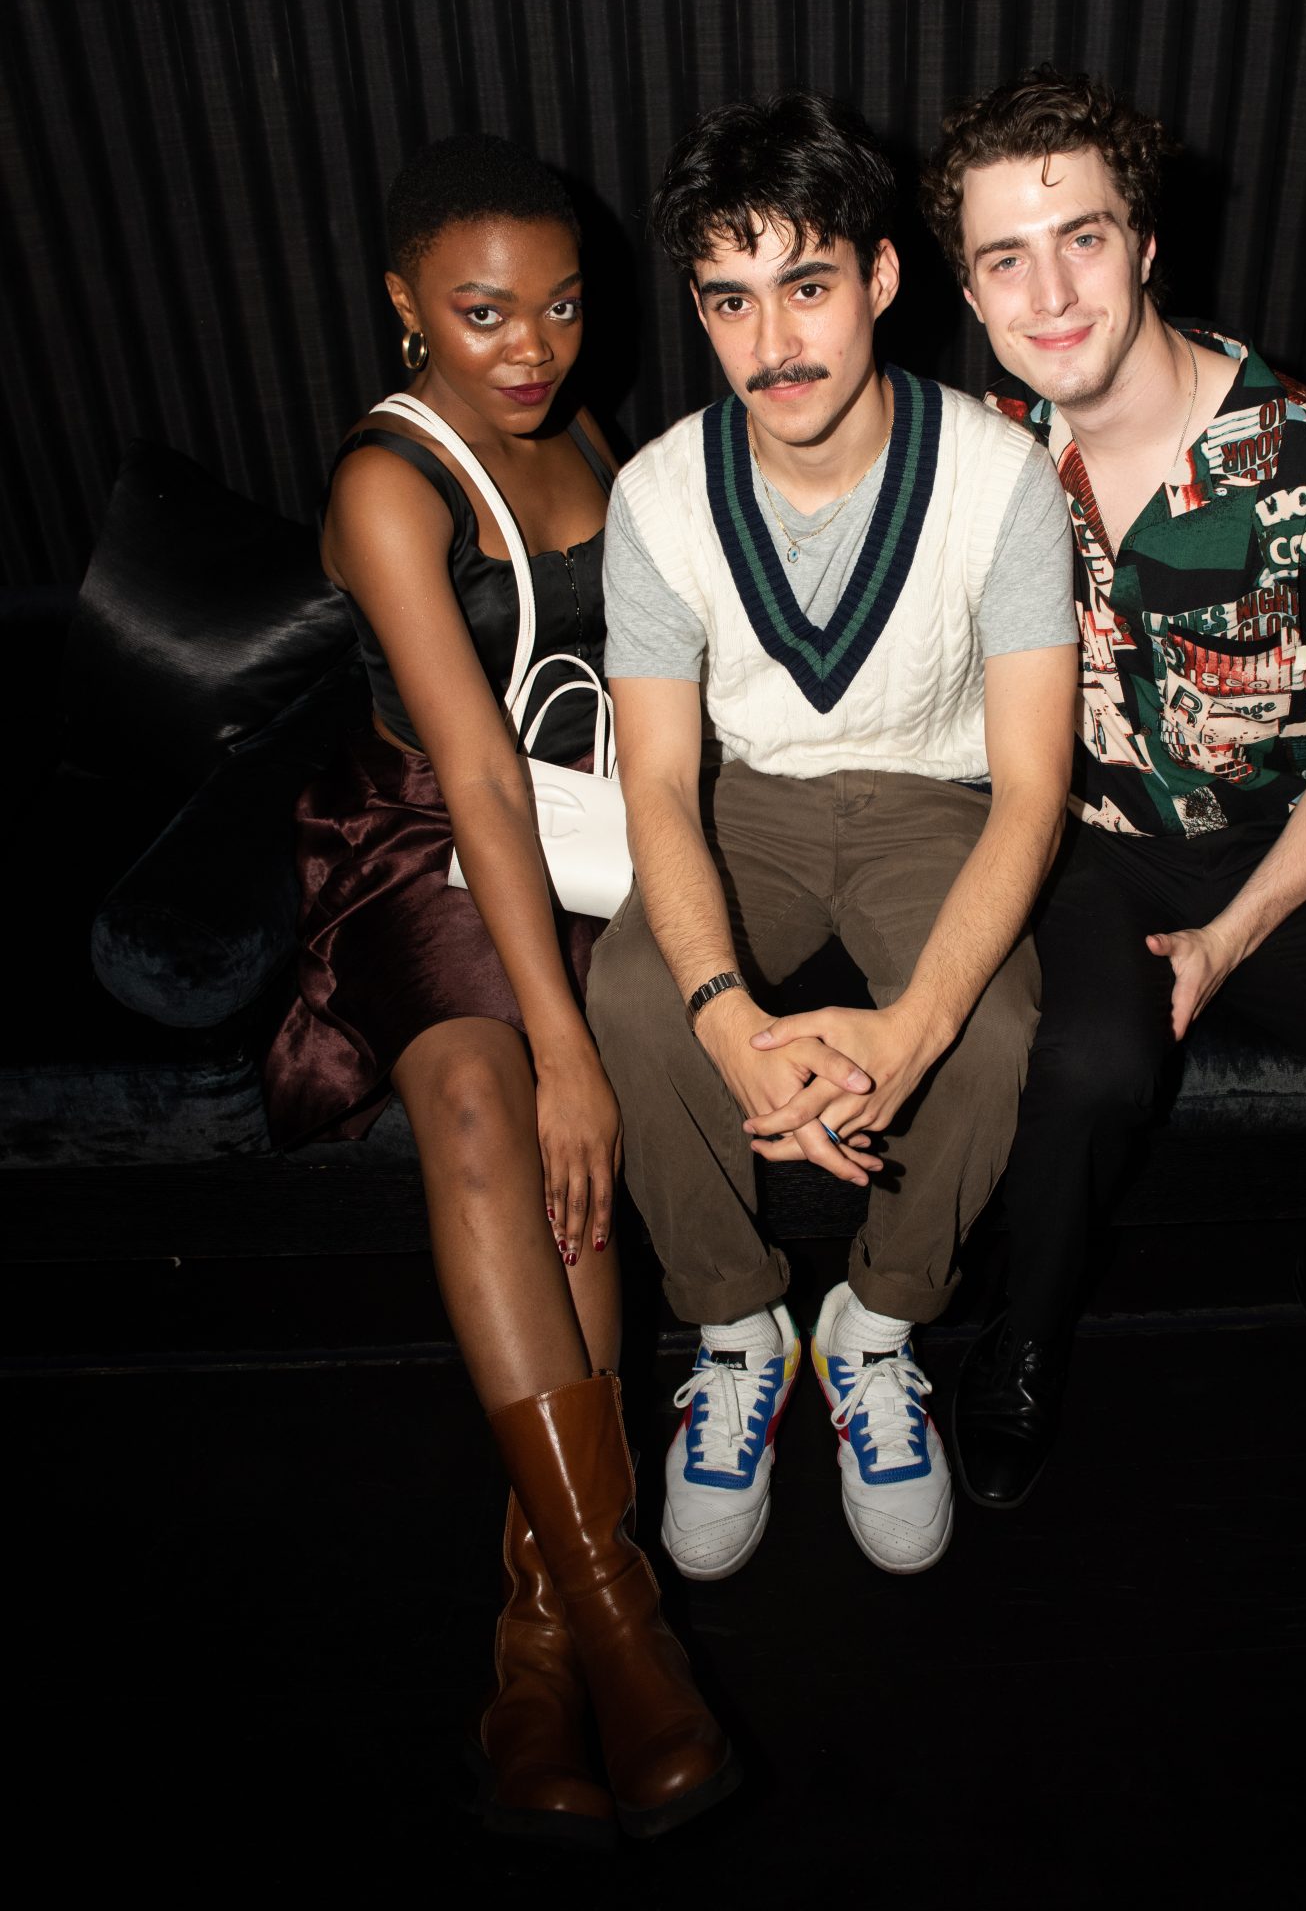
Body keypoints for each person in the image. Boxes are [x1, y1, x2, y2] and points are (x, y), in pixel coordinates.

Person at [262, 135, 736, 1844]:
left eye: (559, 305)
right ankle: (624, 1626)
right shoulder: (391, 484)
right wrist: (567, 1046)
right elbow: (469, 772)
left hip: (582, 840)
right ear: (405, 305)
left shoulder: (584, 428)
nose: (529, 348)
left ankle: (534, 1644)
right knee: (494, 1101)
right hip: (423, 838)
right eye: (481, 313)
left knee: (568, 1158)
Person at [921, 67, 1306, 1507]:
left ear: (1145, 245)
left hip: (1290, 835)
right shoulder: (986, 449)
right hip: (1089, 836)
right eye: (1005, 259)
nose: (1048, 296)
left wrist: (1230, 936)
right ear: (968, 290)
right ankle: (1025, 1335)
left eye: (1081, 239)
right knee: (1088, 1067)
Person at [586, 90, 1078, 1582]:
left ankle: (877, 1324)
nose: (772, 341)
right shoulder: (657, 496)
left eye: (806, 285)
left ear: (880, 277)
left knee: (995, 1020)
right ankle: (736, 1325)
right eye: (729, 299)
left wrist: (911, 1032)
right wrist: (725, 1017)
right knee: (633, 989)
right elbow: (657, 785)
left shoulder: (999, 478)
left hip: (936, 803)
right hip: (749, 804)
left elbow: (1033, 787)